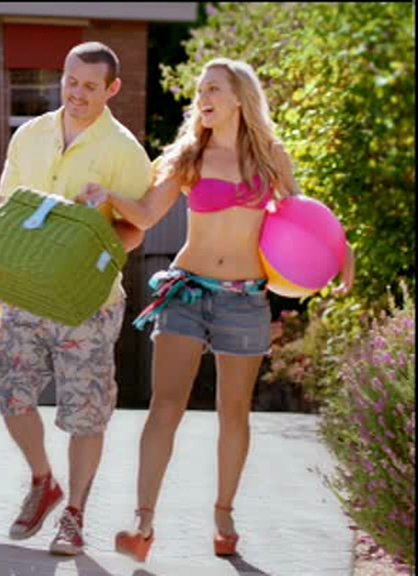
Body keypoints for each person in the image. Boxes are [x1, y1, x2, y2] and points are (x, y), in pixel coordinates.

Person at [89, 58, 355, 561]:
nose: (203, 97)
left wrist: (342, 250)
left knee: (233, 411)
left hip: (244, 298)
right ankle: (142, 522)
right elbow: (146, 214)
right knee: (166, 405)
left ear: (238, 97)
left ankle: (224, 515)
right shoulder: (188, 156)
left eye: (213, 88)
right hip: (187, 291)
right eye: (200, 90)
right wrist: (110, 197)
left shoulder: (270, 156)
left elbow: (301, 216)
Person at [0, 42, 153, 556]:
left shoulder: (124, 151)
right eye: (71, 82)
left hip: (87, 303)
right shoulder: (30, 135)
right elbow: (2, 206)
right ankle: (43, 481)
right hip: (24, 291)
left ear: (112, 88)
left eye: (90, 86)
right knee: (10, 393)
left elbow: (133, 229)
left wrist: (92, 252)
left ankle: (75, 515)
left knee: (86, 412)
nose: (78, 94)